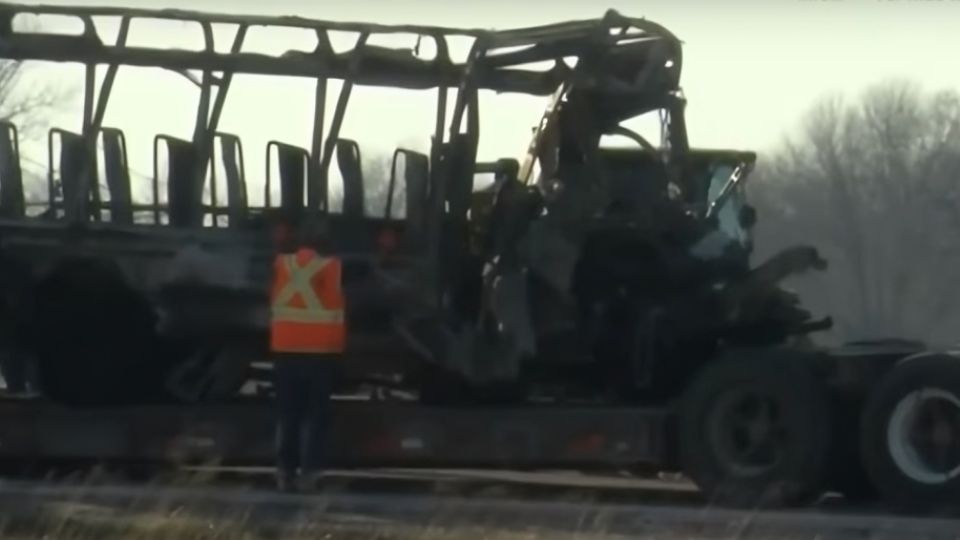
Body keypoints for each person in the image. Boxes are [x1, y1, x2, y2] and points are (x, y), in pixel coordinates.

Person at [269, 217, 345, 492]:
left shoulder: (282, 264)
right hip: (319, 353)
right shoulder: (332, 268)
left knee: (288, 414)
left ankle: (284, 472)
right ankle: (309, 474)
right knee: (314, 416)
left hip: (285, 350)